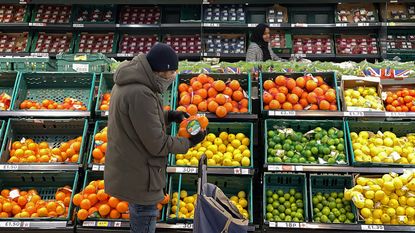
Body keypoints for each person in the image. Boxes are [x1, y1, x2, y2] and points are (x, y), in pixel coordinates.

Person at [104, 43, 206, 233]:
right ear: (161, 71)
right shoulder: (141, 93)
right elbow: (157, 144)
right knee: (143, 220)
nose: (174, 76)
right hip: (141, 175)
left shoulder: (129, 84)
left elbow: (138, 122)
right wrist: (189, 142)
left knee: (138, 219)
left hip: (131, 168)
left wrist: (169, 116)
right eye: (172, 72)